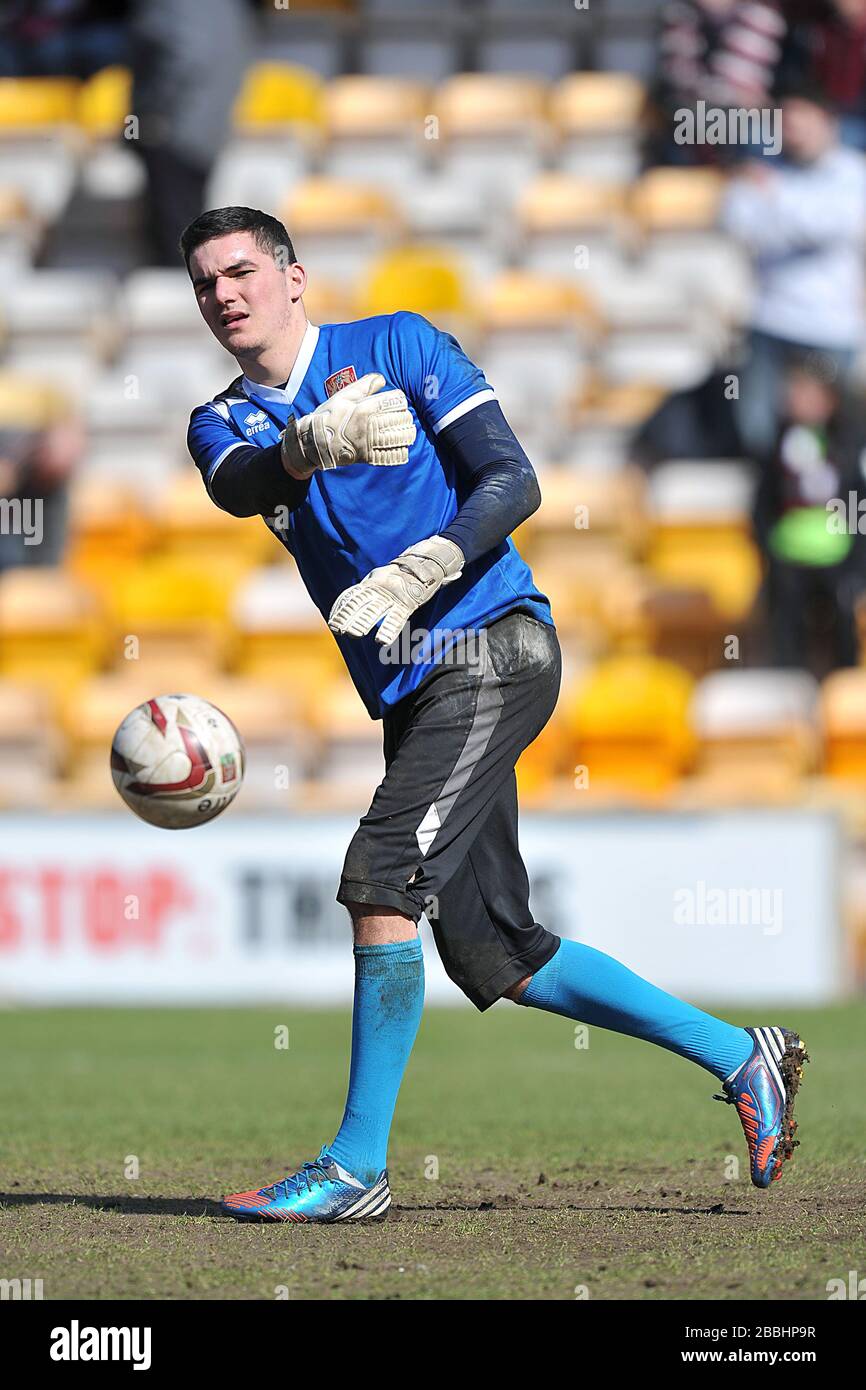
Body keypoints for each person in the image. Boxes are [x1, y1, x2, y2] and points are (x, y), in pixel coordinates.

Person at [183, 205, 808, 1223]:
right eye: (206, 283)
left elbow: (510, 477)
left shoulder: (400, 345)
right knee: (495, 951)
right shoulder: (223, 420)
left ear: (295, 279)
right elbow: (237, 482)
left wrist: (426, 562)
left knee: (381, 873)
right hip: (415, 688)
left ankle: (353, 1167)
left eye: (243, 271)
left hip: (490, 647)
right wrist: (307, 442)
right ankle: (742, 1054)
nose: (226, 295)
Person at [721, 86, 866, 458]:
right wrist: (790, 214)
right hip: (770, 321)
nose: (794, 132)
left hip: (828, 325)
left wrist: (775, 198)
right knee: (759, 431)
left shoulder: (851, 172)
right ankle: (773, 505)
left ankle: (833, 507)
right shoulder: (762, 169)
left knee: (837, 436)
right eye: (787, 122)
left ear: (829, 124)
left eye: (804, 122)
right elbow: (738, 223)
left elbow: (834, 223)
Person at [754, 353, 866, 674]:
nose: (801, 400)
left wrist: (857, 567)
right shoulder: (776, 449)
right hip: (789, 559)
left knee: (846, 617)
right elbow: (763, 506)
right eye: (796, 391)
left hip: (838, 559)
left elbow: (858, 505)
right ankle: (790, 682)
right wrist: (770, 551)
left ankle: (843, 686)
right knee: (786, 617)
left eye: (811, 393)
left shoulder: (847, 448)